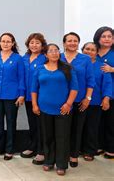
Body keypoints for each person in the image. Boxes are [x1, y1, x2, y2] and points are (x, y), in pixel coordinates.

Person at [32, 43, 78, 176]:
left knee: (62, 137)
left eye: (56, 50)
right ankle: (49, 161)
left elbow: (74, 88)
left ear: (59, 52)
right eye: (51, 51)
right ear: (45, 54)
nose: (54, 53)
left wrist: (68, 104)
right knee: (47, 136)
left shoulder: (68, 68)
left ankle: (62, 164)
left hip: (63, 109)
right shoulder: (40, 69)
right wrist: (35, 105)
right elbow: (34, 89)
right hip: (44, 108)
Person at [0, 33, 25, 160]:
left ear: (13, 43)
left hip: (12, 96)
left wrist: (21, 94)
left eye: (8, 41)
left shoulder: (18, 58)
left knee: (11, 122)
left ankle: (9, 149)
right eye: (3, 41)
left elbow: (21, 78)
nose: (6, 43)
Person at [60, 32, 95, 168]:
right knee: (62, 129)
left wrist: (88, 98)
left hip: (80, 100)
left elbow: (90, 80)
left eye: (75, 41)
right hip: (62, 101)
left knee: (77, 128)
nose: (72, 43)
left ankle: (74, 155)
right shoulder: (58, 57)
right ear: (64, 43)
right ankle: (63, 154)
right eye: (69, 41)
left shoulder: (85, 59)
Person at [80, 42, 112, 161]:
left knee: (92, 127)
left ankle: (89, 151)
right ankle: (77, 149)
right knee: (78, 127)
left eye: (93, 50)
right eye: (87, 49)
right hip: (78, 101)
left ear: (97, 52)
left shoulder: (102, 66)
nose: (89, 51)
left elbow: (108, 84)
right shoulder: (77, 65)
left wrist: (106, 98)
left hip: (95, 103)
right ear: (82, 50)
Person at [20, 33, 47, 165]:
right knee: (32, 123)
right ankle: (33, 146)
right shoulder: (24, 58)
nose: (34, 45)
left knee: (41, 124)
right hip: (28, 97)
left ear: (42, 45)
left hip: (41, 97)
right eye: (32, 42)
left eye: (37, 43)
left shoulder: (45, 58)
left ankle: (42, 151)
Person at [93, 26, 114, 158]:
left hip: (111, 92)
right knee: (97, 121)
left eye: (110, 36)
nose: (107, 39)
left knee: (111, 121)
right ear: (98, 38)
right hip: (95, 93)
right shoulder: (93, 52)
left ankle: (111, 147)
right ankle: (99, 145)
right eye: (104, 36)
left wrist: (112, 69)